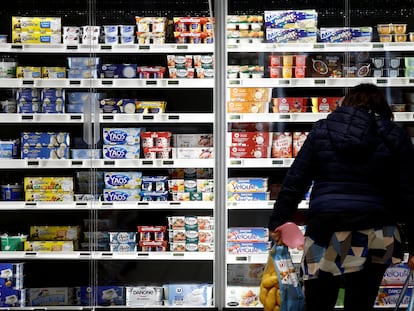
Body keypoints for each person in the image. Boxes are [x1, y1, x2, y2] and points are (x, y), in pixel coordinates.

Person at [268, 83, 414, 311]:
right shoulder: (394, 135)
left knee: (318, 302)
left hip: (327, 231)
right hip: (376, 233)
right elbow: (409, 192)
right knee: (360, 303)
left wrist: (278, 220)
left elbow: (296, 180)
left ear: (346, 105)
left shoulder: (323, 130)